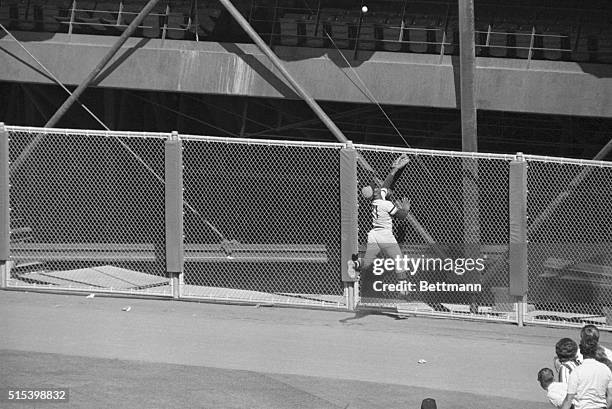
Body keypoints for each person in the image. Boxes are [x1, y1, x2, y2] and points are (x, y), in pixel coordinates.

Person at [348, 154, 411, 285]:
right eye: (376, 188)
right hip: (385, 235)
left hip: (374, 234)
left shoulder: (376, 199)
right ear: (375, 193)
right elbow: (402, 216)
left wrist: (396, 169)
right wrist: (405, 209)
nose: (379, 187)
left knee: (367, 262)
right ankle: (403, 289)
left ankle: (354, 264)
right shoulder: (384, 203)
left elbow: (388, 183)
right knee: (398, 259)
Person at [559, 337, 612, 409]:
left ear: (580, 350)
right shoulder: (606, 369)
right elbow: (610, 397)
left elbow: (569, 399)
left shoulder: (576, 371)